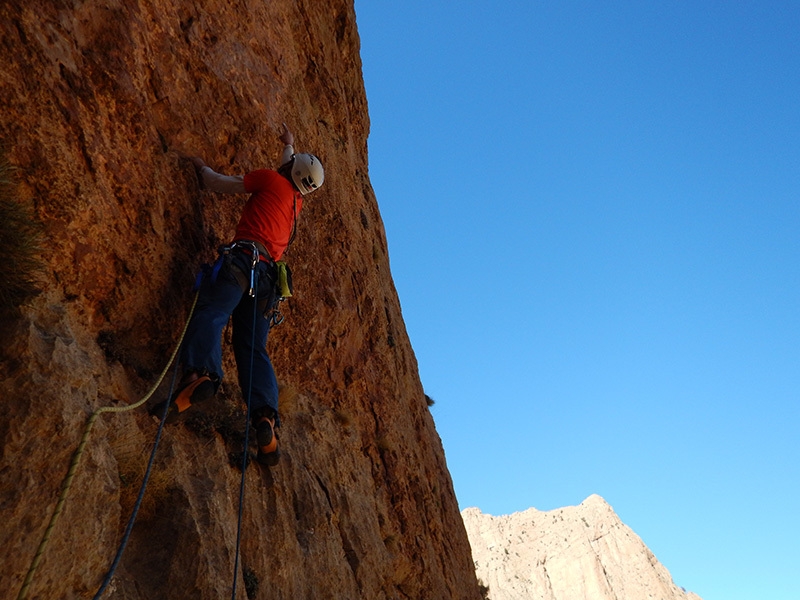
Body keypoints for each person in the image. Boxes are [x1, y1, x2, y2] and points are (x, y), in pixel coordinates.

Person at [151, 124, 324, 466]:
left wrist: (201, 167)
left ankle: (200, 373)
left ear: (290, 170)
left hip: (243, 261)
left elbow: (218, 183)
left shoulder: (269, 180)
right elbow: (291, 169)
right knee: (252, 348)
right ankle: (265, 418)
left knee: (212, 313)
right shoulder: (296, 205)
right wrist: (288, 145)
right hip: (268, 281)